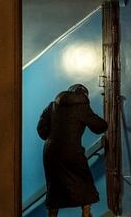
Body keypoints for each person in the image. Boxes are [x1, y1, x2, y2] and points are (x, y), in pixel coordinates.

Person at [36, 84, 108, 217]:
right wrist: (106, 123)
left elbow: (41, 129)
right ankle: (86, 214)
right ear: (84, 95)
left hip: (50, 153)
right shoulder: (82, 106)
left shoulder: (52, 106)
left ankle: (52, 215)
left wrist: (53, 138)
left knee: (54, 187)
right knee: (85, 184)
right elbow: (98, 127)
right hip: (72, 153)